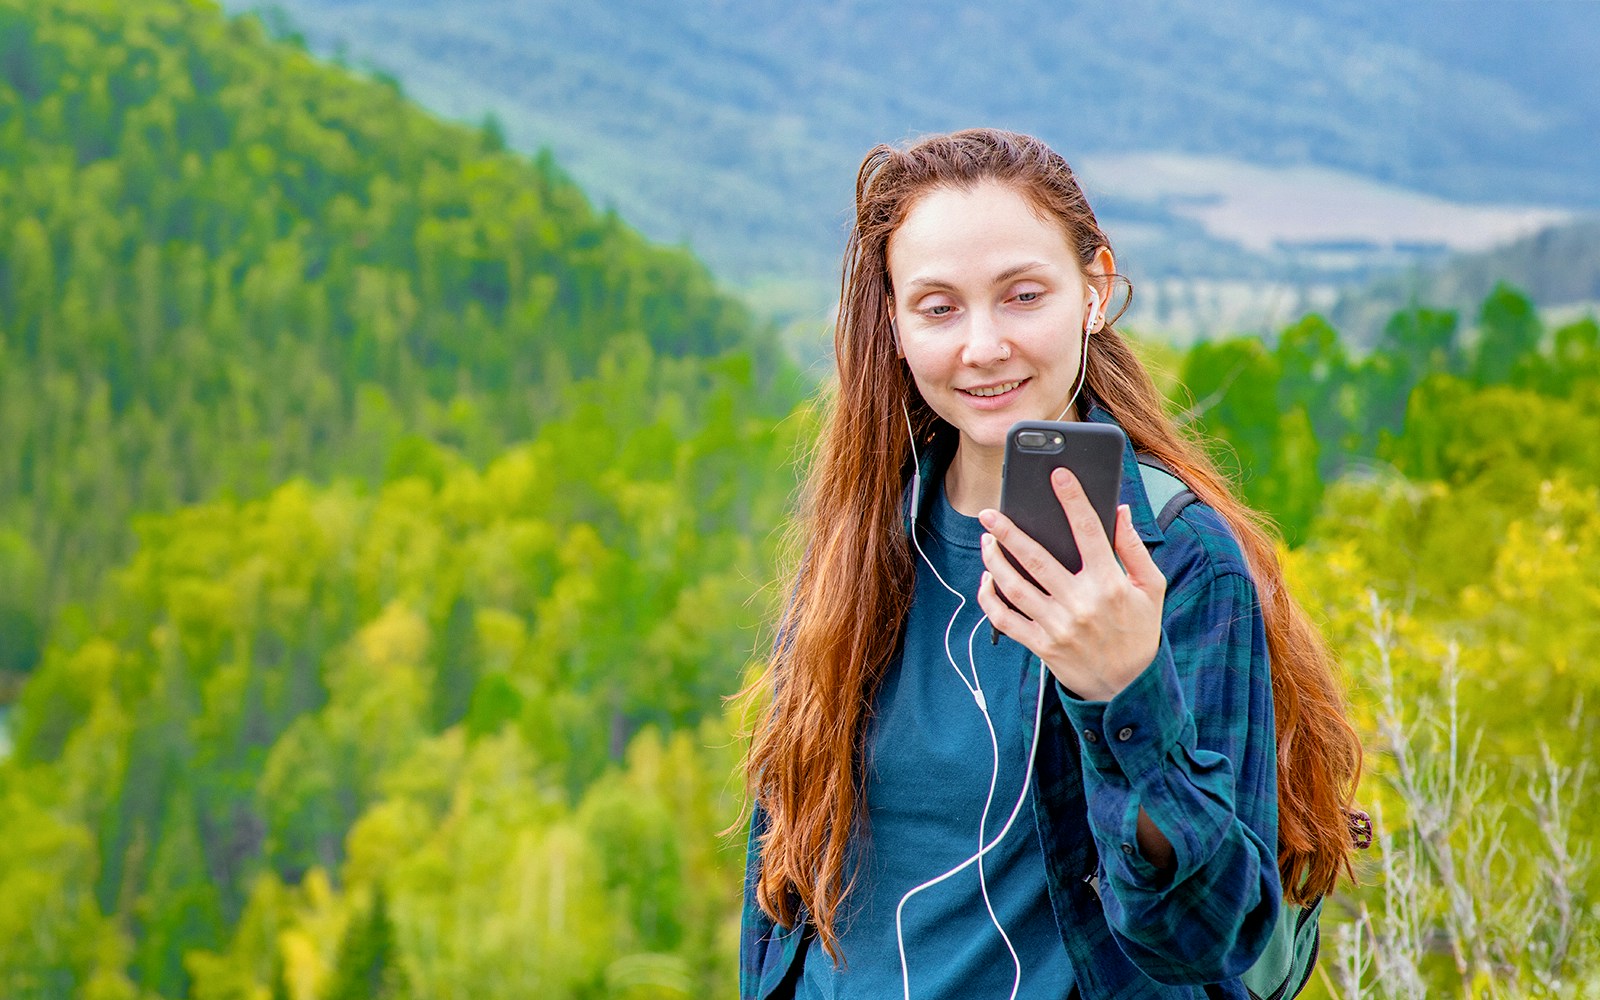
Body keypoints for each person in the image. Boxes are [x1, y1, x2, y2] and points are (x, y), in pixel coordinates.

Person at [737, 129, 1364, 1000]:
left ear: (1094, 291)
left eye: (1022, 295)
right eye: (939, 307)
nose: (983, 346)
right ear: (894, 320)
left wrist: (1125, 690)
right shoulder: (862, 549)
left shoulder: (1180, 564)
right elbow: (784, 874)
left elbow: (1206, 941)